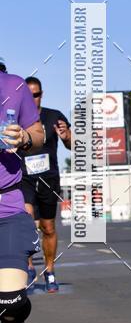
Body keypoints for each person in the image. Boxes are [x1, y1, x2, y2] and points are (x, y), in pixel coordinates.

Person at [0, 68, 44, 323]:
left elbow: (38, 135)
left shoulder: (13, 86)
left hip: (7, 207)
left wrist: (26, 137)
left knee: (11, 303)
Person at [19, 77, 71, 293]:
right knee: (27, 223)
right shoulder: (17, 118)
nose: (33, 99)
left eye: (36, 94)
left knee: (47, 228)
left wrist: (67, 136)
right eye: (29, 96)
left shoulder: (54, 116)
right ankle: (29, 267)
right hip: (24, 178)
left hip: (48, 179)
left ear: (42, 94)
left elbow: (72, 144)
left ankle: (49, 270)